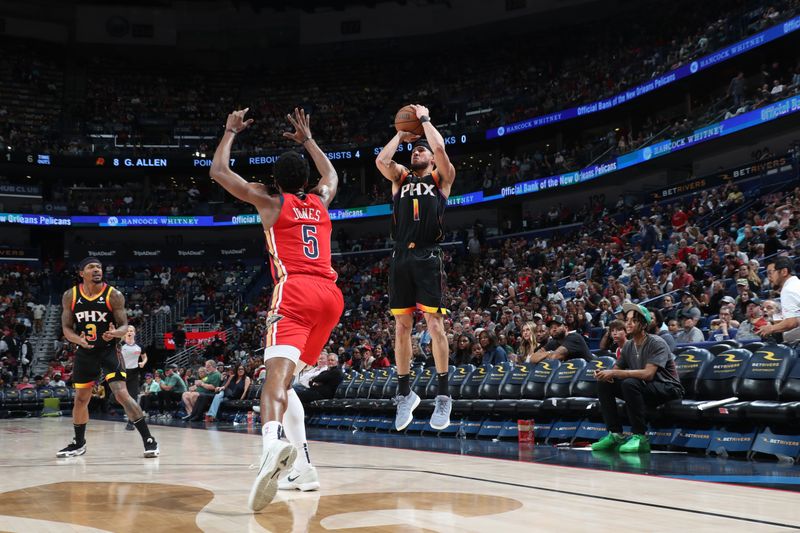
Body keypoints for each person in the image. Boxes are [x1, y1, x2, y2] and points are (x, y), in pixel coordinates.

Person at [210, 107, 343, 510]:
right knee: (288, 384)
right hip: (331, 296)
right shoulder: (320, 200)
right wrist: (307, 140)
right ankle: (303, 467)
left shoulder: (270, 201)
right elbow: (332, 176)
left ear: (274, 181)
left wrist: (229, 130)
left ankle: (271, 445)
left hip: (296, 291)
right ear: (305, 180)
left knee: (274, 378)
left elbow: (219, 171)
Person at [375, 104, 457, 433]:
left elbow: (439, 147)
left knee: (435, 325)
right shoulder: (401, 178)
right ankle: (405, 394)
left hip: (428, 256)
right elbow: (381, 161)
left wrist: (424, 121)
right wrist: (400, 134)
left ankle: (443, 395)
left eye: (423, 149)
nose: (419, 150)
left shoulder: (440, 178)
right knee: (401, 329)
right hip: (400, 257)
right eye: (415, 149)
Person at [57, 257, 158, 458]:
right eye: (91, 267)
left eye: (99, 267)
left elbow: (124, 326)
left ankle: (149, 440)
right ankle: (79, 443)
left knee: (121, 394)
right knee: (81, 399)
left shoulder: (114, 295)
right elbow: (66, 329)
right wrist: (79, 340)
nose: (96, 270)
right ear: (81, 273)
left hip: (109, 350)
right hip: (85, 352)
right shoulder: (71, 295)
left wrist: (115, 334)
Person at [592, 304, 684, 454]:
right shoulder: (628, 346)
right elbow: (615, 371)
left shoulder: (656, 342)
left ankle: (640, 437)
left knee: (630, 383)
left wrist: (615, 374)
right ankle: (615, 434)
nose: (628, 323)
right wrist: (604, 374)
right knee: (605, 383)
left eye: (633, 320)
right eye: (627, 320)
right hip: (646, 387)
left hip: (668, 387)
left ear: (643, 324)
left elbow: (648, 374)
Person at [758, 256, 800, 343]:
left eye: (770, 273)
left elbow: (792, 323)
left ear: (784, 272)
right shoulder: (796, 284)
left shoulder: (788, 289)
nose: (768, 277)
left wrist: (771, 328)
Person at [120, 325, 147, 430]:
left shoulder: (139, 346)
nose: (130, 332)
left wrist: (143, 362)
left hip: (134, 373)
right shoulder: (120, 345)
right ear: (125, 333)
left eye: (132, 331)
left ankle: (131, 421)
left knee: (133, 398)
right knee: (121, 398)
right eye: (128, 331)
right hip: (122, 373)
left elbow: (144, 356)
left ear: (135, 333)